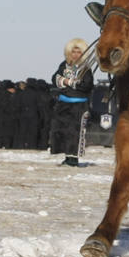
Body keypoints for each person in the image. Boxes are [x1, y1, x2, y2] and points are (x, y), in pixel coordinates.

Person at [50, 38, 94, 167]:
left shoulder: (85, 69)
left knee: (74, 132)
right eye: (73, 52)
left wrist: (69, 82)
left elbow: (87, 85)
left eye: (78, 52)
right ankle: (67, 156)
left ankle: (74, 159)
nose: (75, 54)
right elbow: (55, 78)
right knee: (62, 130)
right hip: (63, 104)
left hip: (79, 106)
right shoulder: (64, 65)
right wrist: (66, 81)